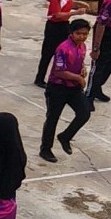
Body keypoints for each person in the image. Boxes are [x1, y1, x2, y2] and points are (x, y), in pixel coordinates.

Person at [39, 18, 91, 162]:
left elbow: (79, 61)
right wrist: (78, 78)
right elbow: (59, 71)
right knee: (52, 118)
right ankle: (45, 149)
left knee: (84, 113)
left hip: (73, 88)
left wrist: (83, 69)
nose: (82, 37)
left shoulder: (82, 46)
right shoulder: (63, 48)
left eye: (85, 34)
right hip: (58, 87)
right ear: (72, 33)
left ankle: (65, 136)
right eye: (78, 33)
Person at [34, 0, 89, 88]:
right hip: (53, 27)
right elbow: (57, 14)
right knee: (48, 53)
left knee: (66, 50)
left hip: (64, 25)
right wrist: (75, 12)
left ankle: (64, 77)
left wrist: (79, 3)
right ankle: (40, 78)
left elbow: (68, 2)